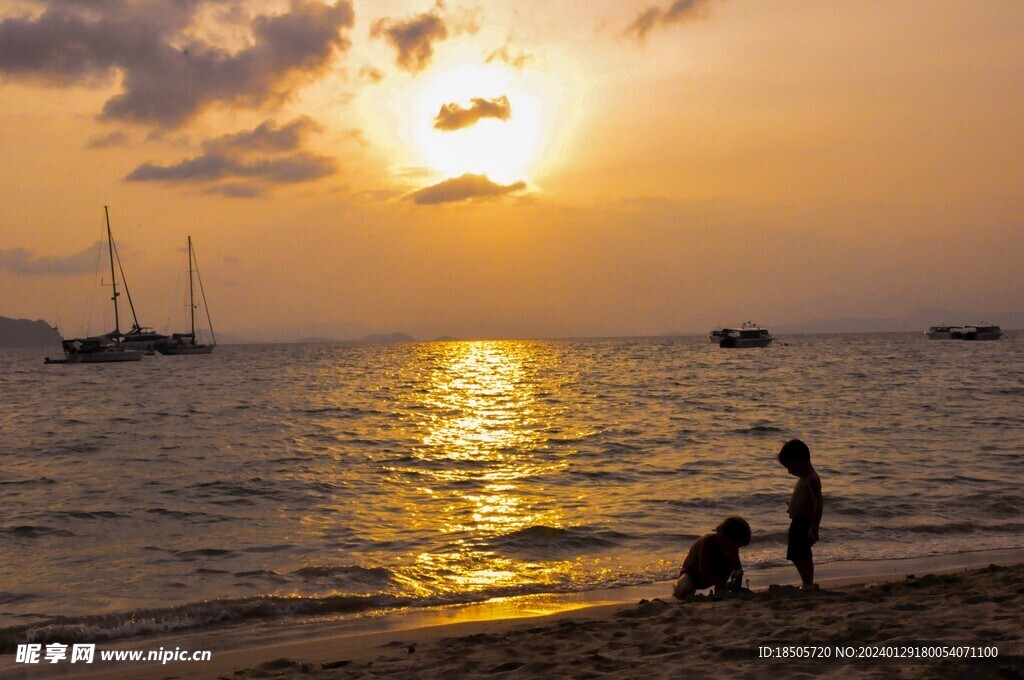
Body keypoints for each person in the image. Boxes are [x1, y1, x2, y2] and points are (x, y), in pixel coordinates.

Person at [778, 438, 823, 589]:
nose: (789, 472)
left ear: (801, 461)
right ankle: (807, 581)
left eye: (790, 467)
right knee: (797, 553)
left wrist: (814, 527)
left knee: (801, 554)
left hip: (804, 523)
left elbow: (818, 504)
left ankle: (808, 582)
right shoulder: (805, 478)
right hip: (799, 521)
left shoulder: (812, 480)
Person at [672, 516, 751, 598]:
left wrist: (737, 580)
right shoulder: (706, 543)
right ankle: (678, 587)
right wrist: (723, 585)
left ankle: (719, 590)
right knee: (684, 590)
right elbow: (704, 571)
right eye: (735, 545)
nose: (735, 549)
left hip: (716, 579)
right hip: (693, 577)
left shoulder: (732, 548)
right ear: (726, 536)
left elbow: (738, 568)